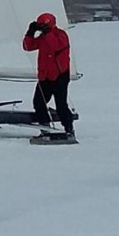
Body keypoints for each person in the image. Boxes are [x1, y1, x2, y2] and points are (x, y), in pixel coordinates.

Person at [23, 12, 75, 140]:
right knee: (38, 103)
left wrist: (48, 33)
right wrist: (30, 32)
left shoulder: (61, 35)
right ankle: (44, 127)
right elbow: (27, 46)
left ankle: (69, 129)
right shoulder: (43, 37)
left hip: (59, 76)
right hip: (45, 77)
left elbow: (55, 47)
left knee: (61, 105)